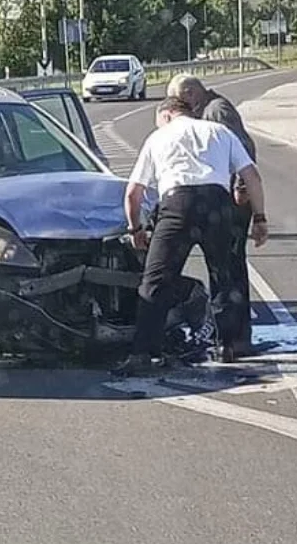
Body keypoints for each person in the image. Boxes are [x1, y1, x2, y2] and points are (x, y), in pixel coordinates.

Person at [115, 97, 269, 376]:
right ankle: (229, 346)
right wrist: (259, 218)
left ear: (168, 115)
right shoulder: (220, 132)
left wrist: (136, 230)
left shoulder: (158, 137)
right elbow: (252, 176)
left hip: (178, 206)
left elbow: (133, 193)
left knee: (155, 281)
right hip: (218, 205)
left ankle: (142, 353)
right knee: (226, 276)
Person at [167, 73, 258, 358]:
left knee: (230, 267)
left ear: (192, 94)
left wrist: (241, 187)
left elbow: (243, 148)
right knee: (226, 266)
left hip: (231, 200)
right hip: (223, 199)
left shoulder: (216, 111)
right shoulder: (208, 110)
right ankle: (233, 336)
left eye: (182, 102)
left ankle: (237, 337)